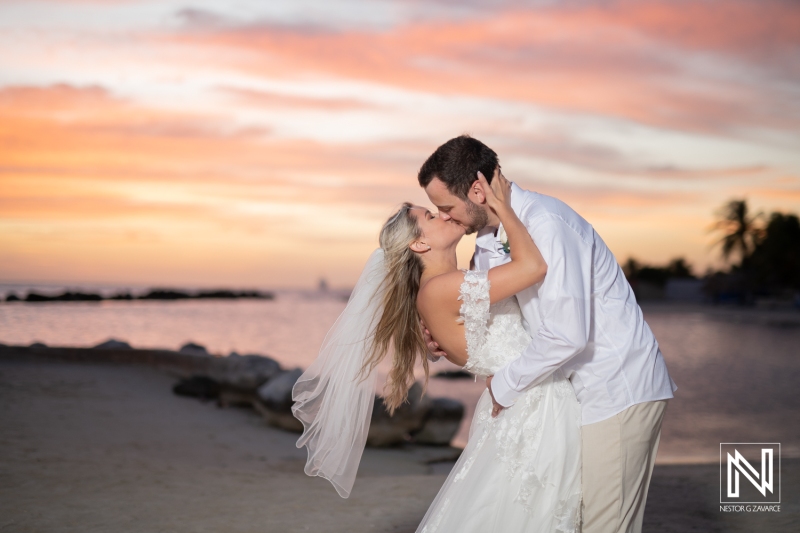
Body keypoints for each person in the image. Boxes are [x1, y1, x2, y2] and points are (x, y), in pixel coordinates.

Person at [292, 170, 583, 532]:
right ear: (419, 245)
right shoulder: (441, 290)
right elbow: (533, 267)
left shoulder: (453, 283)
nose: (443, 214)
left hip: (525, 401)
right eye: (430, 216)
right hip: (534, 406)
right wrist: (503, 207)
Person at [419, 135, 678, 533]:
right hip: (568, 395)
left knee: (604, 525)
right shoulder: (485, 243)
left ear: (477, 190)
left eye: (447, 208)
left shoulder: (546, 223)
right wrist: (446, 340)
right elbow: (500, 326)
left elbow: (567, 334)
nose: (446, 218)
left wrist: (503, 386)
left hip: (614, 386)